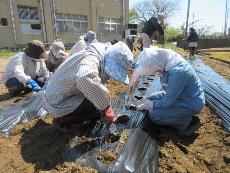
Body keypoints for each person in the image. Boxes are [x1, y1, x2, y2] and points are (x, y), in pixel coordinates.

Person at [41, 41, 133, 131]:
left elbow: (95, 82)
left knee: (97, 99)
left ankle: (66, 116)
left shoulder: (94, 54)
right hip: (55, 103)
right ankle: (63, 119)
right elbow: (84, 79)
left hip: (52, 96)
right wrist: (106, 107)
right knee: (96, 109)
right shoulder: (91, 59)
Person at [128, 47, 205, 136]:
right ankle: (176, 115)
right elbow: (139, 67)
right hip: (178, 95)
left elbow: (168, 102)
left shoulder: (178, 72)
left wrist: (151, 105)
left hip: (190, 103)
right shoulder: (163, 61)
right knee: (151, 98)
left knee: (155, 115)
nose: (155, 72)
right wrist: (134, 84)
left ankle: (188, 122)